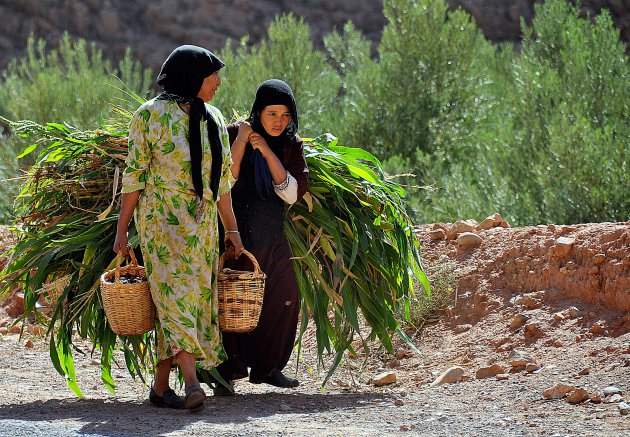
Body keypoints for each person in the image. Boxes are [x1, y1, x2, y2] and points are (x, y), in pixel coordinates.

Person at [113, 45, 243, 412]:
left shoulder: (213, 118)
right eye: (213, 74)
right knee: (176, 297)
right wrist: (122, 230)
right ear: (192, 76)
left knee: (188, 300)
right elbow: (135, 176)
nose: (218, 82)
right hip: (160, 223)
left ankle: (159, 388)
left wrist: (231, 231)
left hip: (202, 227)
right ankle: (190, 381)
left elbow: (221, 184)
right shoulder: (149, 116)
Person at [200, 79, 308, 395]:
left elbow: (290, 193)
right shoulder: (233, 134)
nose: (279, 121)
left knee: (284, 296)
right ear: (258, 111)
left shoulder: (291, 145)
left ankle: (268, 367)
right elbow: (224, 181)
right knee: (228, 302)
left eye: (286, 115)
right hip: (232, 233)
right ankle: (225, 373)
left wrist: (267, 152)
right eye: (272, 113)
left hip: (271, 236)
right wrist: (245, 141)